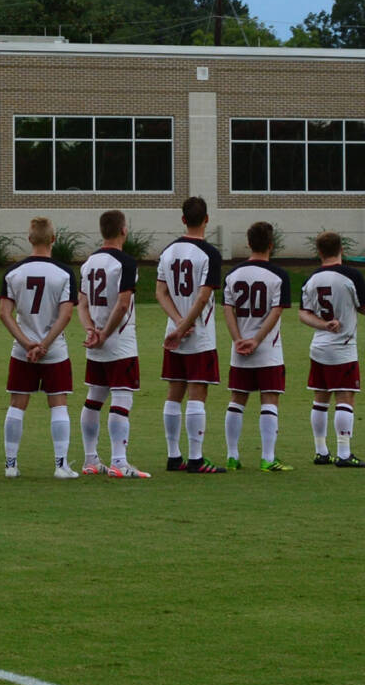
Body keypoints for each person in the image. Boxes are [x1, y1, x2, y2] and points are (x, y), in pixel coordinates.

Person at [0, 218, 79, 479]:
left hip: (22, 349)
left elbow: (4, 313)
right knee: (58, 405)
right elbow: (66, 315)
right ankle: (60, 465)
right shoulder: (65, 273)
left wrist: (26, 343)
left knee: (17, 404)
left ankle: (11, 465)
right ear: (53, 239)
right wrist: (44, 345)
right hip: (54, 349)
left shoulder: (13, 273)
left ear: (30, 238)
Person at [75, 210, 148, 478]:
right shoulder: (126, 263)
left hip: (96, 343)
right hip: (119, 341)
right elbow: (123, 302)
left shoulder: (89, 262)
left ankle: (90, 459)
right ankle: (119, 461)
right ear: (123, 230)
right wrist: (104, 333)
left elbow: (81, 303)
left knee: (94, 397)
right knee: (122, 396)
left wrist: (90, 330)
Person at [155, 197, 225, 474]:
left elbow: (160, 292)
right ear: (206, 219)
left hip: (174, 332)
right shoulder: (210, 254)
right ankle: (195, 459)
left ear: (183, 219)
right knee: (198, 392)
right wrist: (185, 327)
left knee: (174, 392)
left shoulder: (168, 251)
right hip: (199, 335)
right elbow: (203, 295)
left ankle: (174, 456)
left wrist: (176, 323)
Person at [299, 231, 365, 468]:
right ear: (342, 249)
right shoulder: (351, 276)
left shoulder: (311, 279)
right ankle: (343, 453)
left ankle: (321, 451)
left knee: (320, 399)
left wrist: (323, 324)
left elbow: (303, 313)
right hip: (343, 347)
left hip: (319, 346)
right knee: (345, 396)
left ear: (319, 252)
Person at [222, 220, 291, 472]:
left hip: (239, 350)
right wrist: (257, 340)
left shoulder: (233, 275)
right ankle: (268, 457)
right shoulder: (279, 275)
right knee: (269, 399)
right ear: (272, 245)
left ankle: (232, 456)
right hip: (267, 350)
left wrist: (238, 339)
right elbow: (276, 312)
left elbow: (227, 310)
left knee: (237, 400)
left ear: (248, 243)